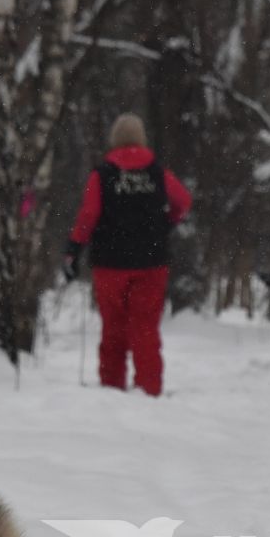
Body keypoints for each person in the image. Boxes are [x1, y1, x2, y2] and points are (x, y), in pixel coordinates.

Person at [63, 113, 193, 396]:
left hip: (110, 263)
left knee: (114, 329)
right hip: (152, 261)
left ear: (114, 141)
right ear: (142, 139)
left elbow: (88, 216)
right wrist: (167, 222)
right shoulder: (159, 173)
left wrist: (74, 249)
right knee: (145, 329)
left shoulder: (102, 174)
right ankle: (149, 388)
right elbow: (183, 200)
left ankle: (112, 389)